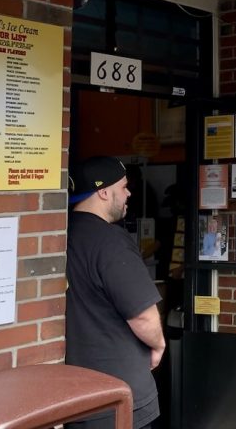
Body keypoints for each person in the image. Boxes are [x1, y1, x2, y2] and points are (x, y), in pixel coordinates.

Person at [66, 156, 166, 429]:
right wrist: (158, 345)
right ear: (103, 191)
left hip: (73, 397)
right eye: (124, 187)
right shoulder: (111, 242)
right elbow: (143, 317)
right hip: (120, 397)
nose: (129, 193)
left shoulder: (61, 235)